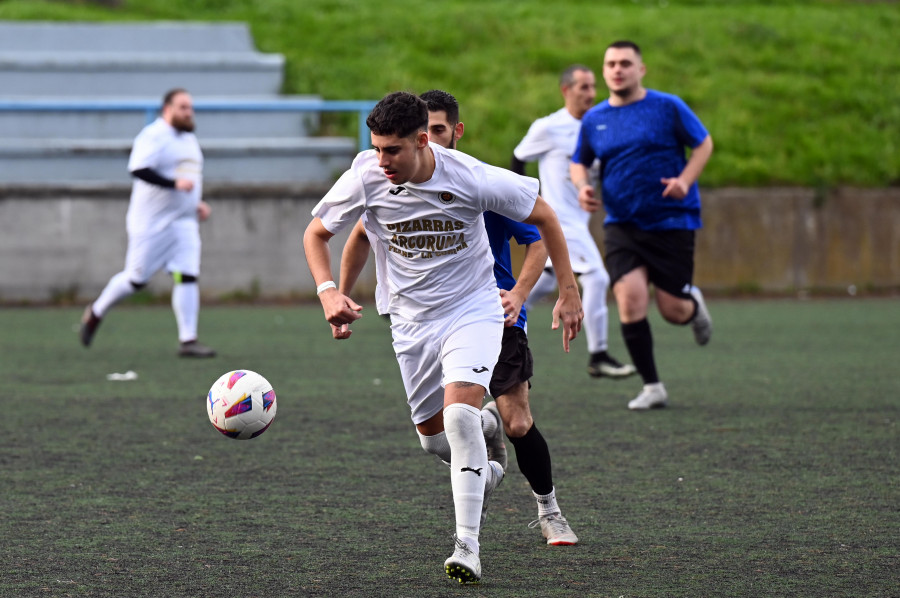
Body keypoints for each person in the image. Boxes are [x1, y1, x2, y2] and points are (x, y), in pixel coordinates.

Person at [303, 91, 583, 584]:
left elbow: (545, 219)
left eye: (393, 150)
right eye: (376, 148)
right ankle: (490, 458)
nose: (382, 160)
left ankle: (467, 547)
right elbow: (318, 234)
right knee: (436, 443)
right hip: (410, 324)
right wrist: (331, 294)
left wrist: (568, 291)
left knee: (459, 416)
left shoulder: (470, 176)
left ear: (421, 140)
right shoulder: (366, 174)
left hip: (473, 311)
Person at [570, 41, 713, 410]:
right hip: (622, 225)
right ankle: (653, 386)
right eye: (611, 64)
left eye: (625, 63)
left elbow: (703, 144)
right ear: (604, 72)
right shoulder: (594, 118)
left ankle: (693, 306)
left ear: (641, 69)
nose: (618, 69)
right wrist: (582, 186)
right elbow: (578, 162)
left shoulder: (668, 106)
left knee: (672, 311)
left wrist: (684, 180)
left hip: (671, 221)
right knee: (629, 301)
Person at [513, 64, 636, 381]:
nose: (591, 93)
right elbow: (518, 157)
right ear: (566, 90)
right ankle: (599, 355)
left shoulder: (599, 125)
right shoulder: (549, 127)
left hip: (580, 221)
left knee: (544, 282)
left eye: (593, 87)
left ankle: (500, 314)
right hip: (560, 221)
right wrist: (525, 206)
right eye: (583, 87)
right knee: (596, 278)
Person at [79, 88, 215, 357]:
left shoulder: (189, 139)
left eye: (191, 107)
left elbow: (188, 177)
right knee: (136, 280)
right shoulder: (154, 135)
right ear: (167, 109)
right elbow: (138, 168)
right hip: (152, 223)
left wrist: (195, 203)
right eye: (182, 107)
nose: (189, 112)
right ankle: (95, 312)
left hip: (184, 222)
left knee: (188, 276)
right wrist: (174, 184)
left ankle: (188, 340)